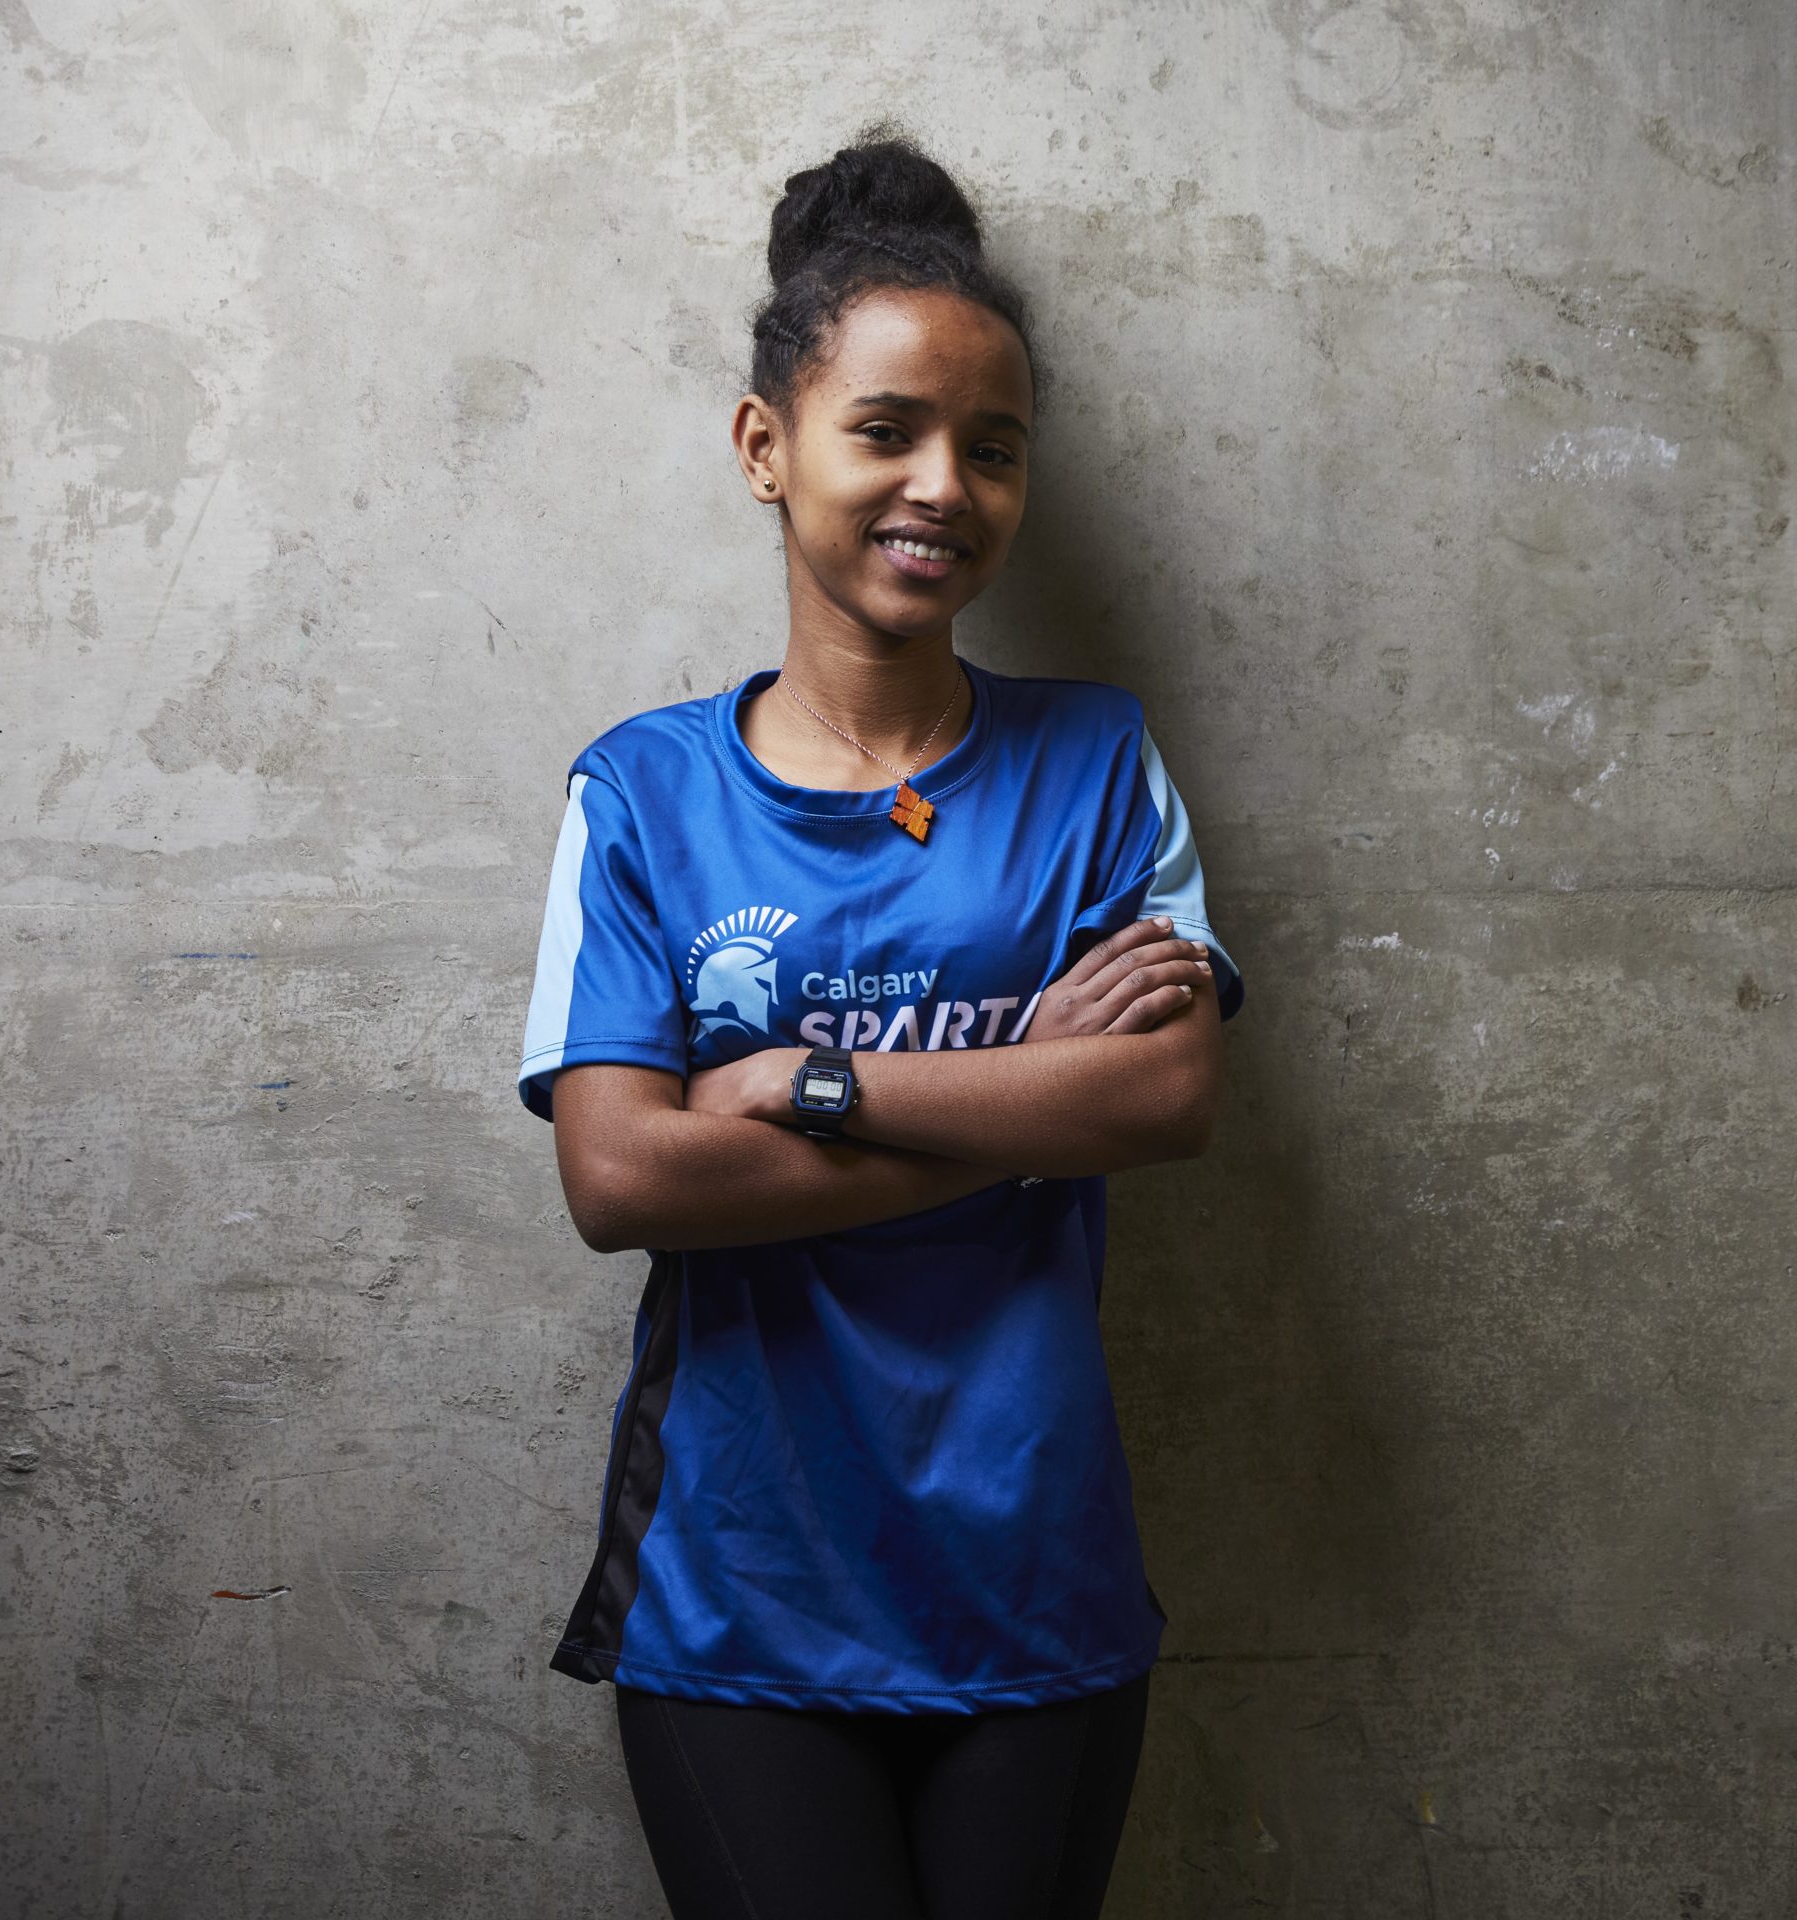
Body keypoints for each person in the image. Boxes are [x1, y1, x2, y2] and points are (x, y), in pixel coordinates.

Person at [512, 130, 1243, 1919]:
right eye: (887, 430)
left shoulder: (1093, 760)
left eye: (991, 449)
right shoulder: (642, 793)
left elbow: (1160, 1096)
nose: (943, 485)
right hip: (740, 1595)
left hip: (1036, 1583)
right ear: (767, 448)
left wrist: (819, 1088)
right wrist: (1017, 1104)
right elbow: (621, 1176)